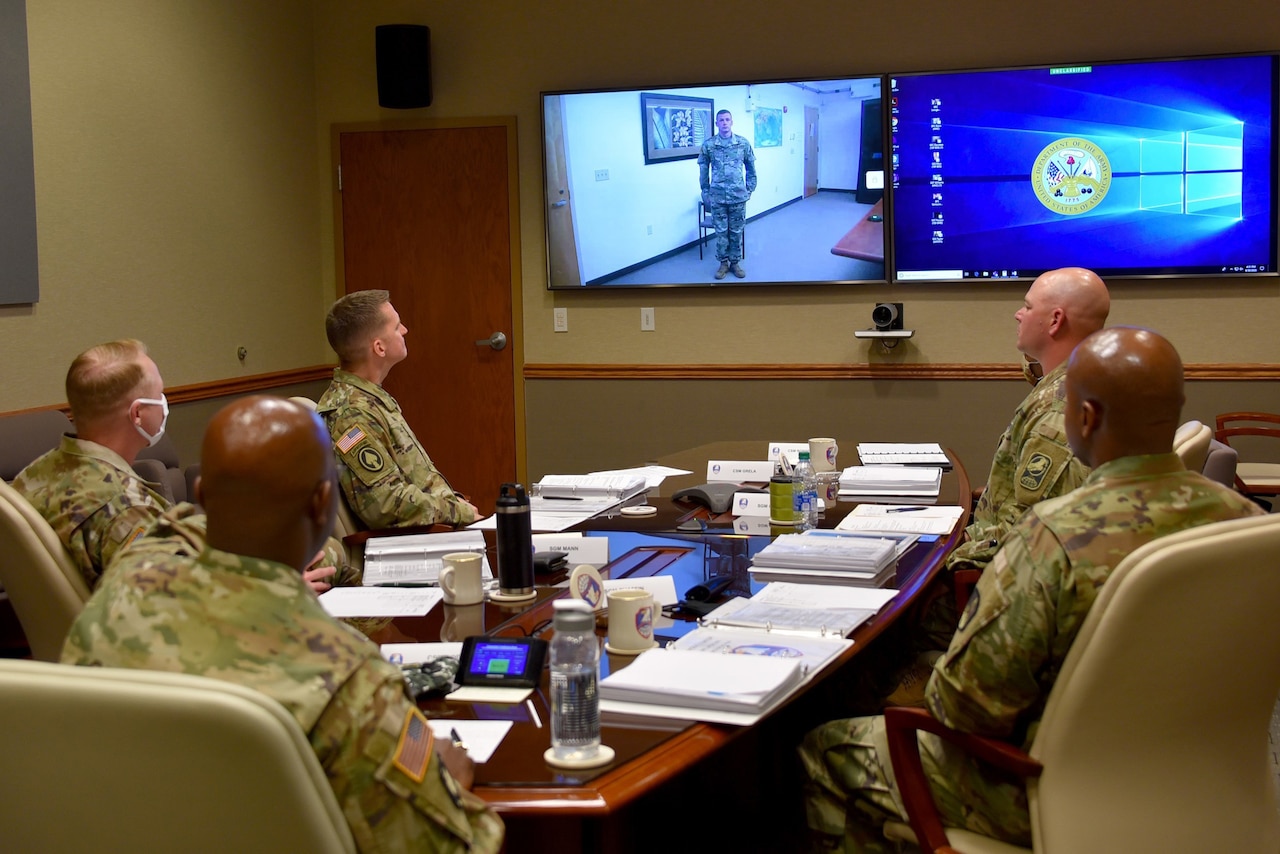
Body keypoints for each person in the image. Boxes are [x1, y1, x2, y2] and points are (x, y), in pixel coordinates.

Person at [798, 326, 1265, 852]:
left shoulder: (1054, 537)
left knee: (826, 748)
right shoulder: (1249, 523)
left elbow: (965, 709)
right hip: (1203, 776)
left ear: (1084, 419)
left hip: (1054, 789)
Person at [62, 396, 504, 852]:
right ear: (322, 504)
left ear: (203, 498)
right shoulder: (351, 687)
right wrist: (449, 780)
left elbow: (180, 531)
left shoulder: (123, 585)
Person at [13, 339, 349, 592]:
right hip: (177, 654)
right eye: (159, 394)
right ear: (138, 413)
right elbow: (173, 605)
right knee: (329, 555)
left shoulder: (35, 475)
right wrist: (278, 592)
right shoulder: (120, 507)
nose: (165, 402)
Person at [903, 266, 1112, 670]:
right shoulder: (1073, 380)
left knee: (877, 621)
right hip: (1000, 566)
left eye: (1027, 306)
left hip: (992, 594)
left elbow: (1028, 534)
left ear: (1054, 321)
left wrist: (937, 560)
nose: (1018, 314)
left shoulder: (1061, 408)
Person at [318, 290, 479, 530]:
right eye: (396, 327)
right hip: (412, 541)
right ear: (379, 348)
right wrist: (457, 511)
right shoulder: (350, 414)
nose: (404, 330)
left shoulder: (369, 397)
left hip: (434, 525)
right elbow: (384, 504)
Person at [698, 109, 757, 280]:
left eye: (727, 119)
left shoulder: (743, 143)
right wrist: (706, 191)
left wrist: (750, 188)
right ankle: (723, 264)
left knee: (736, 232)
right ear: (716, 123)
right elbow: (703, 170)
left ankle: (735, 263)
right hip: (717, 197)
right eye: (721, 120)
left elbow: (751, 168)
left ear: (732, 122)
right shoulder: (709, 145)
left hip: (738, 197)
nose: (724, 122)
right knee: (721, 232)